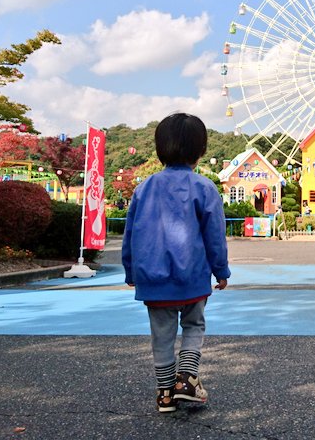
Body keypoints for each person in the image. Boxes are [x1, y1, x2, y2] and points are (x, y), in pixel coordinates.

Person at [121, 113, 231, 414]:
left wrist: (131, 270)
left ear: (160, 149)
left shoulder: (143, 188)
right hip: (193, 276)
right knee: (194, 324)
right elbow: (215, 236)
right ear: (200, 150)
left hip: (153, 279)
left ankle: (165, 395)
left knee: (162, 335)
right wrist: (220, 270)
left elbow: (130, 234)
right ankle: (187, 379)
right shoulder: (204, 188)